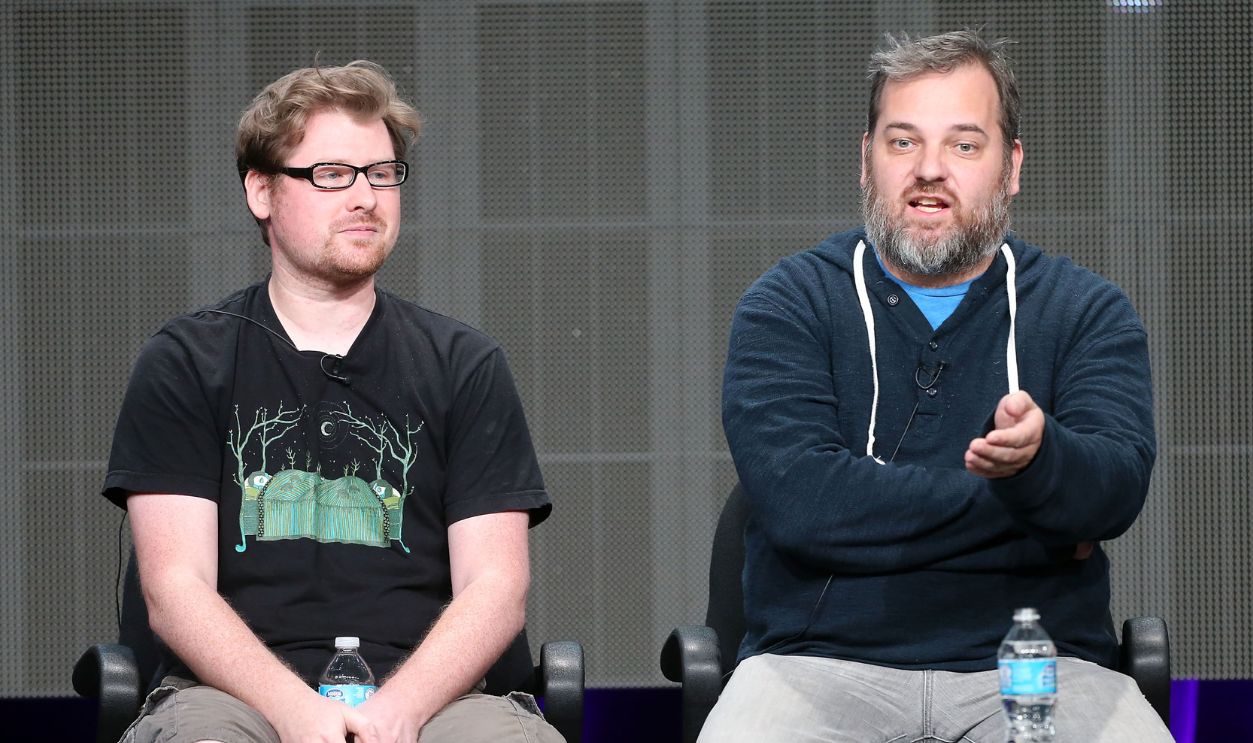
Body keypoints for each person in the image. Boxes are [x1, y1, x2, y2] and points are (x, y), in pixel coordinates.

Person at [701, 31, 1172, 742]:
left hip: (1039, 664)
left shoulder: (1085, 311)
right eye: (903, 142)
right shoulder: (787, 303)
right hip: (814, 664)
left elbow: (1112, 492)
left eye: (963, 144)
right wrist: (1035, 514)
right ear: (866, 159)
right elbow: (803, 506)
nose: (929, 169)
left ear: (1010, 167)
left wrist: (1044, 460)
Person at [103, 60, 564, 743]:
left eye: (381, 173)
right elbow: (175, 591)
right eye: (332, 174)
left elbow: (495, 589)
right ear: (262, 190)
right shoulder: (186, 361)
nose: (366, 197)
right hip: (232, 698)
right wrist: (300, 713)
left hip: (434, 700)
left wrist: (394, 712)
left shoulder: (464, 363)